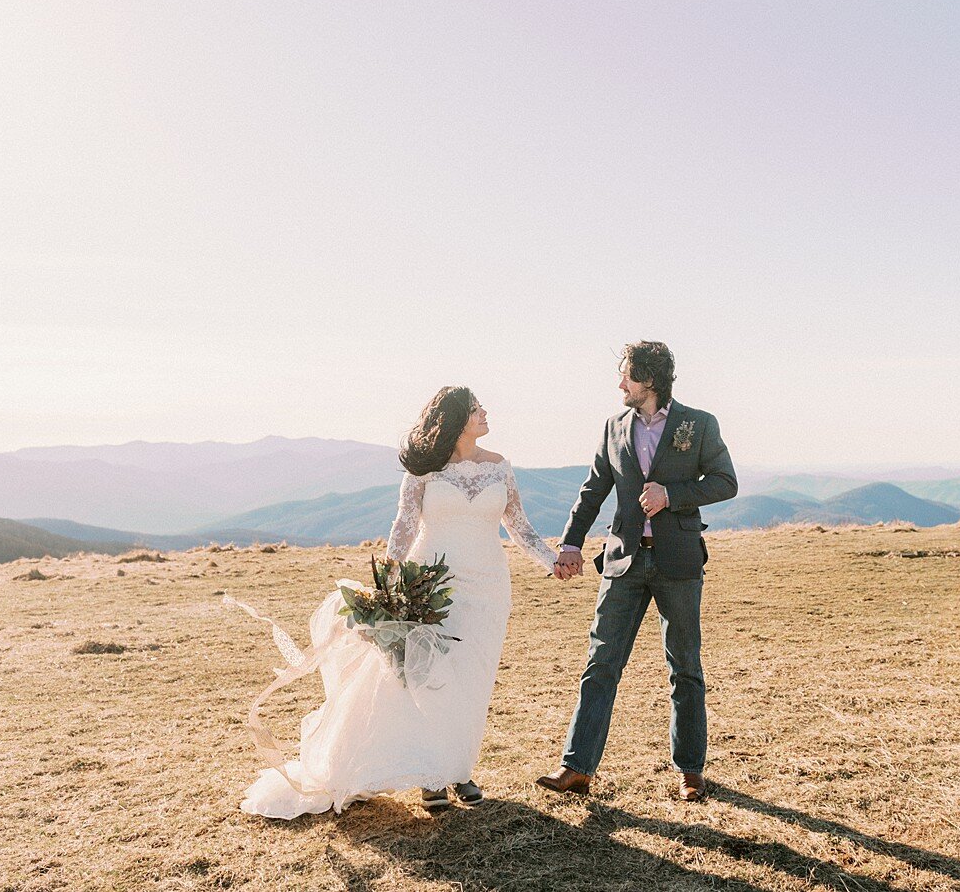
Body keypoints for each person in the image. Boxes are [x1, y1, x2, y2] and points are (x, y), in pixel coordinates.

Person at [233, 386, 558, 817]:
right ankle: (432, 775)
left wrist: (554, 561)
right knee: (430, 679)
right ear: (457, 419)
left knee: (472, 679)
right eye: (477, 408)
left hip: (489, 586)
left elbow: (519, 527)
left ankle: (459, 767)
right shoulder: (424, 469)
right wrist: (387, 581)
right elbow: (404, 525)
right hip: (432, 585)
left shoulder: (500, 468)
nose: (485, 413)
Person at [537, 341, 737, 802]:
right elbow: (593, 491)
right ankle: (576, 767)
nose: (619, 383)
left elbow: (726, 482)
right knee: (600, 663)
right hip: (623, 560)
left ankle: (690, 770)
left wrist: (672, 494)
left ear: (649, 379)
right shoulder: (613, 426)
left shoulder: (699, 424)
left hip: (679, 562)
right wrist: (570, 543)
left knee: (684, 667)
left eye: (626, 375)